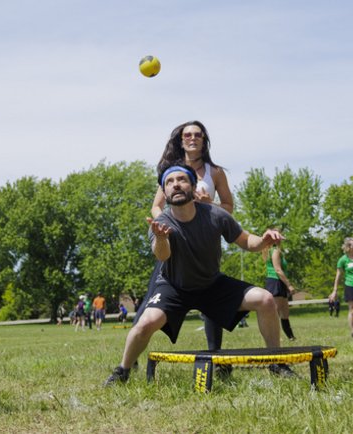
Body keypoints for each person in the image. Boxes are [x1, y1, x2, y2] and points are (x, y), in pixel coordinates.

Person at [105, 163, 286, 386]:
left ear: (192, 186)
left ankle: (277, 363)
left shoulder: (215, 214)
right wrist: (161, 239)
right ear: (165, 192)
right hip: (174, 287)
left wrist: (264, 240)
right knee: (145, 323)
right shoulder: (161, 222)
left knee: (266, 299)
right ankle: (123, 371)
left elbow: (246, 240)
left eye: (181, 180)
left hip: (212, 285)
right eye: (169, 183)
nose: (175, 185)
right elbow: (162, 256)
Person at [141, 121, 236, 354]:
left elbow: (228, 207)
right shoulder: (172, 173)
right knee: (152, 297)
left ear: (204, 140)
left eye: (198, 135)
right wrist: (164, 225)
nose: (192, 138)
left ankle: (215, 355)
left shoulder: (215, 172)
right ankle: (131, 357)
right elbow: (156, 206)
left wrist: (208, 205)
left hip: (204, 241)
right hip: (173, 242)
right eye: (188, 135)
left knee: (211, 297)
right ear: (181, 140)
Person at [262, 226, 299, 340]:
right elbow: (278, 270)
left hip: (278, 282)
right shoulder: (275, 250)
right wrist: (289, 285)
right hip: (275, 282)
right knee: (275, 313)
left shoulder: (273, 250)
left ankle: (291, 337)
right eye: (277, 237)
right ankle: (273, 337)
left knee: (284, 312)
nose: (279, 239)